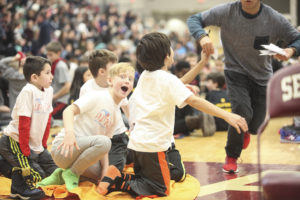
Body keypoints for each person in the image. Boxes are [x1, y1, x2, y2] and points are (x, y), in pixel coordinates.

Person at [97, 32, 248, 198]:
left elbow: (177, 83)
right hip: (152, 146)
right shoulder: (166, 79)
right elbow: (194, 101)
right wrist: (227, 115)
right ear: (167, 55)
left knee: (148, 178)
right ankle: (118, 181)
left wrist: (202, 62)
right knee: (160, 189)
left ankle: (122, 178)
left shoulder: (147, 76)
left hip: (137, 145)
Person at [187, 0, 300, 173]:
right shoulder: (226, 11)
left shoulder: (274, 18)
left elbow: (297, 38)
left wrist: (290, 51)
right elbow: (194, 19)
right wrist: (203, 36)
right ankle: (231, 156)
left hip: (263, 78)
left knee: (256, 126)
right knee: (241, 112)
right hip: (235, 72)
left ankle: (246, 130)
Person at [37, 63, 135, 192]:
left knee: (102, 173)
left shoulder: (116, 114)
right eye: (122, 77)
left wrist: (104, 174)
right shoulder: (97, 95)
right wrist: (69, 134)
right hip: (64, 147)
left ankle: (61, 174)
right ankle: (72, 172)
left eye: (130, 79)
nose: (127, 81)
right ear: (110, 81)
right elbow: (68, 111)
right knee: (105, 142)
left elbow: (103, 150)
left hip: (81, 152)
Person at [0, 56, 57, 200]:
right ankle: (12, 177)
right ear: (34, 77)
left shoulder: (49, 90)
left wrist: (43, 145)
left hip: (34, 145)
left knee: (55, 173)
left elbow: (48, 118)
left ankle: (11, 162)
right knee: (37, 176)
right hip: (15, 142)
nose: (52, 76)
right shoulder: (28, 91)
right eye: (48, 72)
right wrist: (26, 151)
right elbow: (24, 125)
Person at [80, 49, 130, 173]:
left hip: (116, 137)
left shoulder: (116, 85)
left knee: (112, 171)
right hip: (96, 137)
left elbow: (126, 106)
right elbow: (82, 114)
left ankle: (129, 152)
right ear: (102, 71)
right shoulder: (87, 88)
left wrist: (134, 125)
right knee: (91, 169)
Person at [46, 41, 71, 119]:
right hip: (56, 100)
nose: (48, 57)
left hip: (62, 101)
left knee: (48, 118)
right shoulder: (53, 64)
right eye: (47, 54)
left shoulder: (61, 66)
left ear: (58, 53)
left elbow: (67, 87)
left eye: (51, 55)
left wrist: (54, 97)